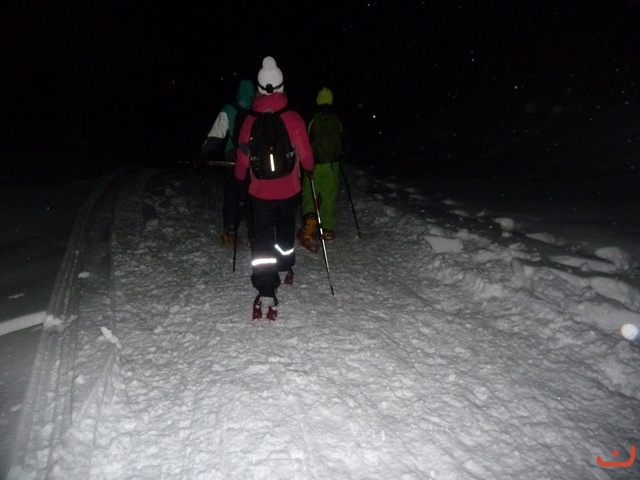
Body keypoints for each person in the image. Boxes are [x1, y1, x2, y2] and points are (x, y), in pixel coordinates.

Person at [234, 56, 314, 319]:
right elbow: (305, 152)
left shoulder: (250, 120)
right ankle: (285, 263)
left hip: (260, 191)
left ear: (259, 88)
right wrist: (309, 168)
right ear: (281, 86)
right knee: (286, 227)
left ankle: (266, 287)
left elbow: (242, 156)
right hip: (288, 188)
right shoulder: (292, 117)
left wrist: (239, 177)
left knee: (262, 236)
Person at [199, 78, 256, 245]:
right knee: (252, 194)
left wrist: (202, 154)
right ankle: (253, 231)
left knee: (231, 192)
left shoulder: (228, 109)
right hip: (253, 159)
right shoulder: (257, 110)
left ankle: (231, 228)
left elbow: (215, 135)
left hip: (233, 157)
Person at [298, 87, 343, 252]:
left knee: (310, 194)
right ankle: (327, 229)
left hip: (314, 165)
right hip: (332, 165)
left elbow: (306, 141)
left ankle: (310, 223)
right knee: (329, 196)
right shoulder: (336, 120)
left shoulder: (313, 120)